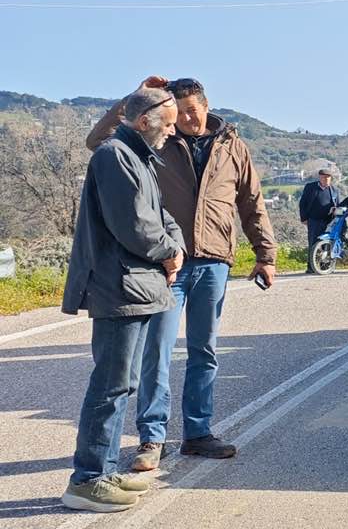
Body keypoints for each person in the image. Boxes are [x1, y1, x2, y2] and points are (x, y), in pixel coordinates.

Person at [86, 76, 277, 471]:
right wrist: (132, 98)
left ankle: (197, 433)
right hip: (165, 263)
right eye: (181, 112)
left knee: (204, 351)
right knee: (157, 351)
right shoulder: (155, 140)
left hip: (214, 261)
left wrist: (266, 255)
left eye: (194, 110)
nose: (188, 119)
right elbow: (98, 142)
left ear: (207, 106)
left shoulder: (232, 146)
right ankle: (151, 438)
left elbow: (252, 203)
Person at [61, 87, 184, 512]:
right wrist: (169, 251)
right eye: (168, 122)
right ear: (145, 118)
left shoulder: (140, 158)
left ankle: (105, 470)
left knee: (122, 383)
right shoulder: (114, 155)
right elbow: (133, 223)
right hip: (120, 286)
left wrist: (176, 245)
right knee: (110, 385)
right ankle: (87, 480)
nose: (173, 130)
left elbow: (162, 216)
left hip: (136, 285)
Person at [299, 167, 339, 267]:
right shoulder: (310, 187)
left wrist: (336, 210)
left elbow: (338, 204)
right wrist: (303, 218)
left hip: (329, 221)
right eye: (324, 177)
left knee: (327, 243)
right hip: (314, 220)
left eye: (328, 177)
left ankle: (324, 266)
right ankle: (311, 267)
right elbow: (302, 203)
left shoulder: (334, 190)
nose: (326, 179)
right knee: (313, 243)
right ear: (320, 177)